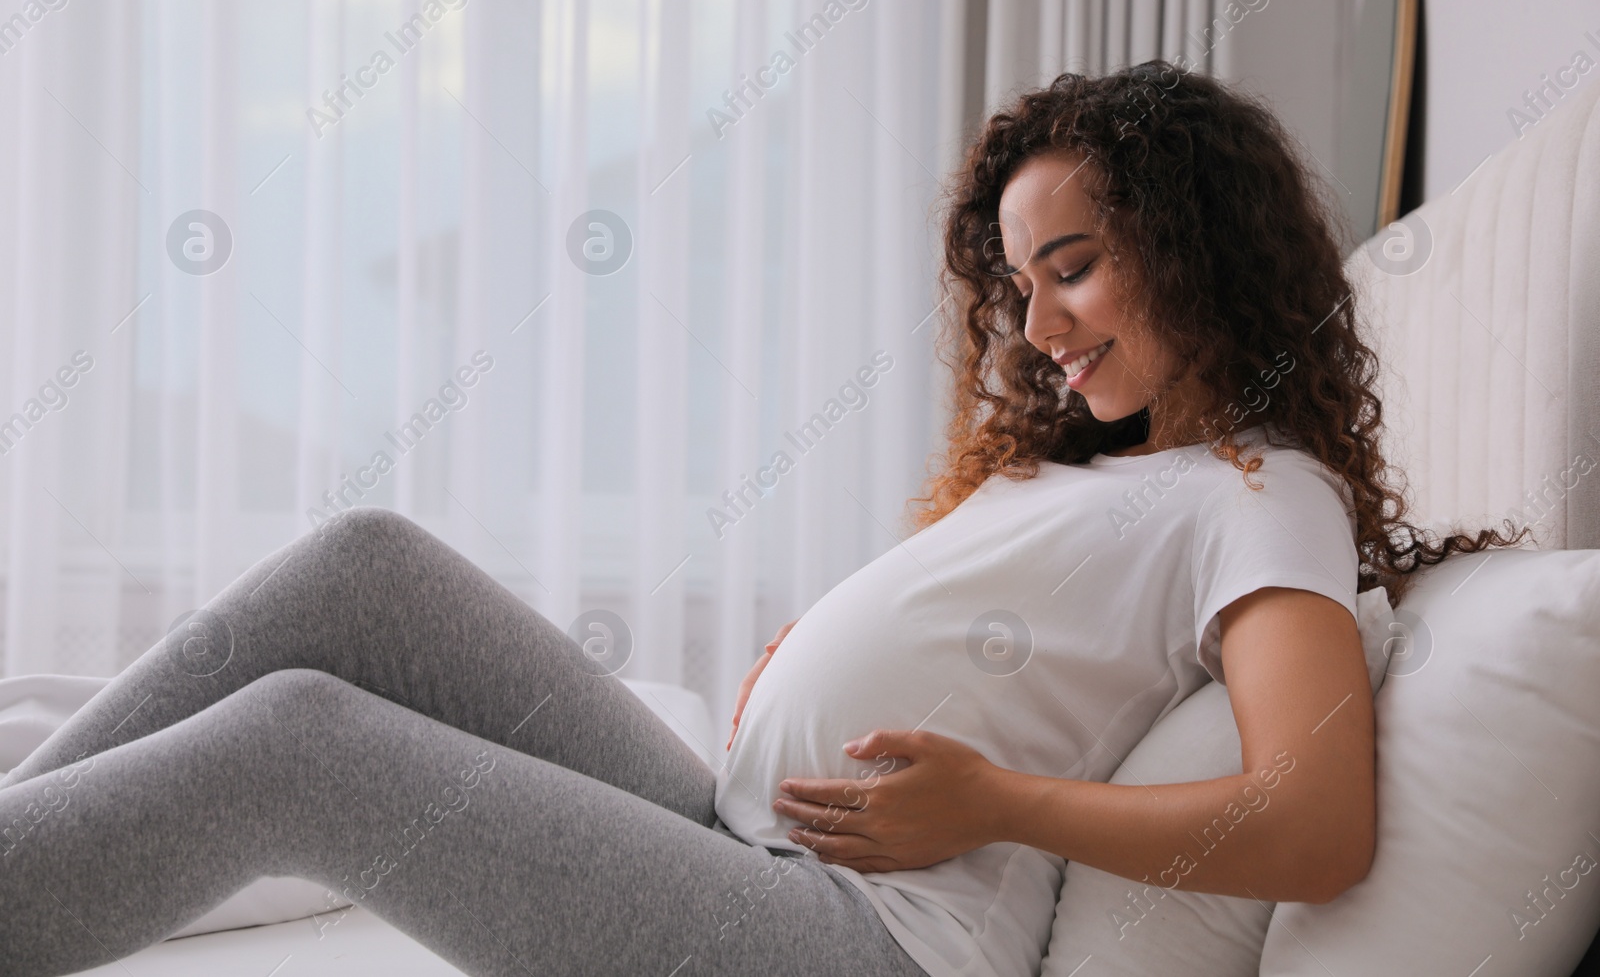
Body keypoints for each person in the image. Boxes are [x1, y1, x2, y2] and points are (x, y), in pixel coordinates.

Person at [0, 61, 1528, 977]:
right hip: (747, 843)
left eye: (1074, 264)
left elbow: (1317, 822)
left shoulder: (1268, 494)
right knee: (365, 569)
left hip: (847, 949)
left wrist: (995, 803)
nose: (1040, 320)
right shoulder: (1118, 468)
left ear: (1198, 247)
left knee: (302, 745)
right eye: (1019, 284)